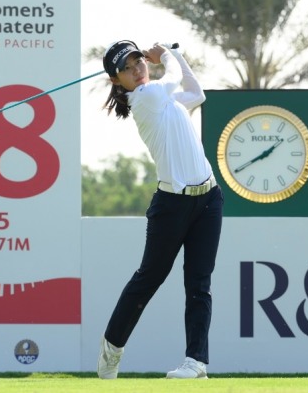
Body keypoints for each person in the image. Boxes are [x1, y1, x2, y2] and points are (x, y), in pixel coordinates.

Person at [97, 40, 224, 380]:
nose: (137, 70)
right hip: (172, 205)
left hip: (209, 199)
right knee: (149, 278)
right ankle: (112, 348)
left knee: (199, 282)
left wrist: (175, 54)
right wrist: (166, 54)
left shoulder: (165, 100)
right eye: (127, 69)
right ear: (116, 80)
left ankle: (196, 362)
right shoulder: (145, 98)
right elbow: (174, 77)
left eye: (138, 61)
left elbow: (196, 93)